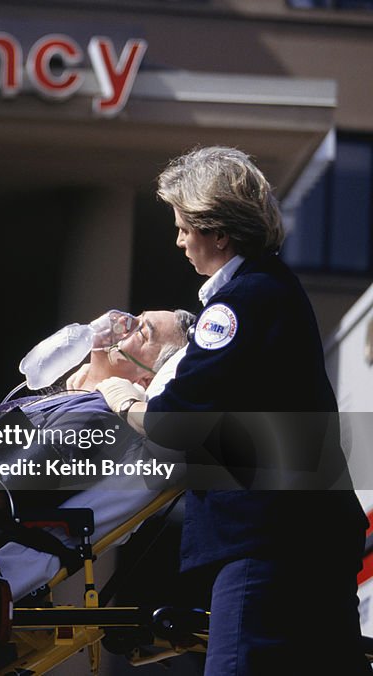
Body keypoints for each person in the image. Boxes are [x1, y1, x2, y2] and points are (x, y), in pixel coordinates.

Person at [95, 146, 370, 674]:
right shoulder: (272, 292)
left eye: (183, 227)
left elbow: (172, 423)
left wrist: (118, 394)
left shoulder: (240, 304)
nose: (177, 241)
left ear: (218, 231)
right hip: (310, 535)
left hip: (269, 540)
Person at [0, 308, 194, 600]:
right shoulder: (65, 404)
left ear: (146, 381)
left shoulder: (95, 419)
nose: (123, 323)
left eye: (142, 331)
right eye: (134, 316)